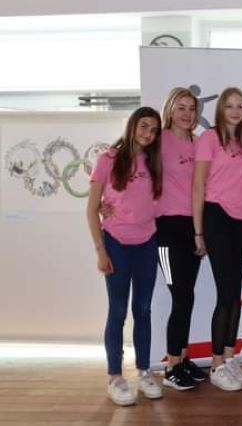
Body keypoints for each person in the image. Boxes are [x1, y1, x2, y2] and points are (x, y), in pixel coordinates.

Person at [87, 107, 163, 406]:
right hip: (116, 244)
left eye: (153, 130)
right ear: (132, 126)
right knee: (118, 311)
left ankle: (144, 371)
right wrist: (101, 251)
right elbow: (91, 210)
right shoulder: (107, 160)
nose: (148, 134)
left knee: (143, 309)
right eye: (143, 126)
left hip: (147, 244)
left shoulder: (154, 162)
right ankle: (115, 377)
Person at [192, 87, 242, 391]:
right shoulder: (209, 138)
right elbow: (198, 185)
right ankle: (216, 364)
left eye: (239, 106)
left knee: (235, 291)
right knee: (225, 292)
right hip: (217, 217)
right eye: (229, 105)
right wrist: (198, 231)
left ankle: (229, 358)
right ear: (220, 109)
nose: (235, 111)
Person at [157, 87, 207, 391]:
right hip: (166, 228)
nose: (187, 114)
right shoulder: (158, 139)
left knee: (187, 296)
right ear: (170, 110)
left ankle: (183, 358)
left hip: (193, 226)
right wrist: (108, 203)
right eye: (181, 108)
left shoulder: (199, 143)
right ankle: (171, 365)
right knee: (181, 296)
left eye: (192, 108)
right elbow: (124, 165)